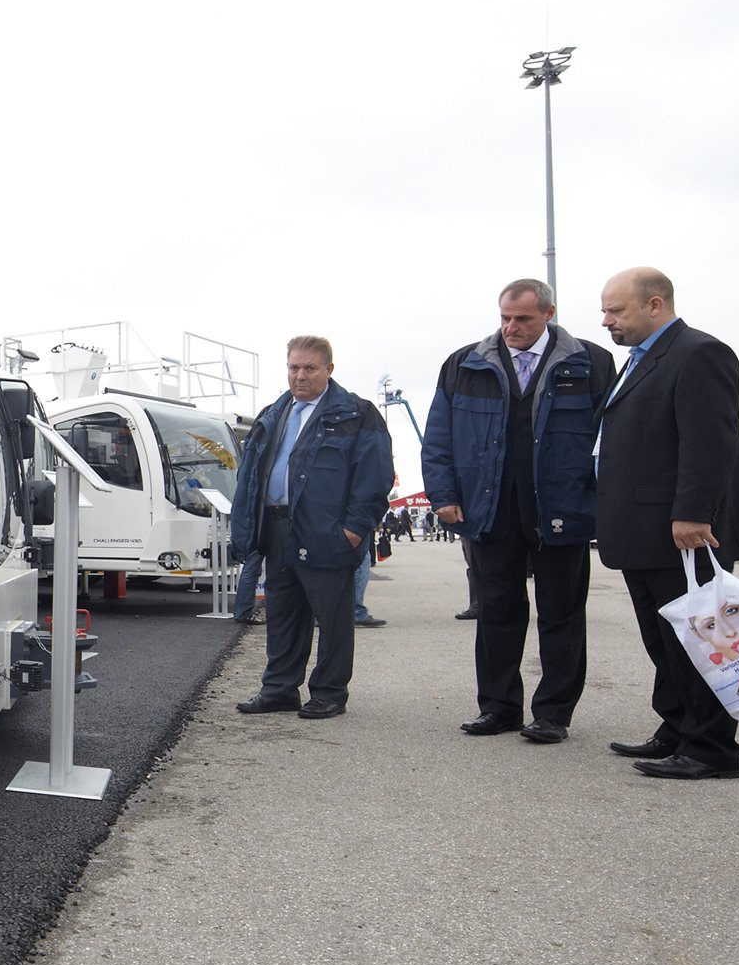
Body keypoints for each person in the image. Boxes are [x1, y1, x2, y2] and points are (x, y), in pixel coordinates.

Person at [421, 279, 613, 744]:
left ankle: (553, 714)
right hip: (491, 509)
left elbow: (612, 438)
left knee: (561, 613)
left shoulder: (589, 362)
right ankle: (499, 707)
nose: (511, 328)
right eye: (505, 317)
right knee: (497, 611)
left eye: (523, 319)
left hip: (561, 508)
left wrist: (601, 498)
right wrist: (443, 495)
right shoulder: (464, 363)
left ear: (549, 313)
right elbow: (439, 436)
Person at [594, 267, 739, 779]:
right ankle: (677, 727)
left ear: (655, 305)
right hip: (642, 531)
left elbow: (710, 440)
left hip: (679, 530)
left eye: (615, 311)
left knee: (696, 640)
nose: (606, 322)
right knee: (664, 640)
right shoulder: (639, 361)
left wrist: (693, 512)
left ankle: (710, 749)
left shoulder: (699, 353)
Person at [227, 336, 393, 719]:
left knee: (333, 620)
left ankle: (329, 693)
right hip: (277, 529)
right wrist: (247, 528)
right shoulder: (274, 413)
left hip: (328, 532)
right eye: (294, 368)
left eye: (310, 368)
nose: (300, 376)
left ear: (329, 370)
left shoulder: (358, 414)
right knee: (282, 615)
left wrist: (353, 529)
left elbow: (376, 477)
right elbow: (250, 476)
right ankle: (279, 690)